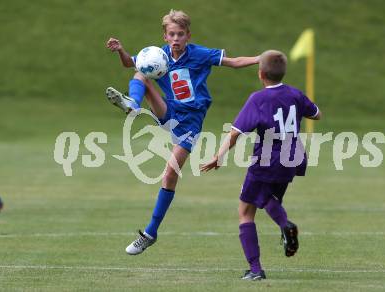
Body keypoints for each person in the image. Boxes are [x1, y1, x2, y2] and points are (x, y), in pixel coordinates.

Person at [105, 9, 259, 255]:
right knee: (141, 73)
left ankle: (150, 233)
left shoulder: (199, 54)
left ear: (188, 35)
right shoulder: (158, 55)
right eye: (171, 34)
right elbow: (129, 63)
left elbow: (234, 62)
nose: (176, 38)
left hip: (190, 122)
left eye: (180, 34)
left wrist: (260, 58)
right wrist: (121, 50)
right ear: (165, 37)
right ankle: (133, 105)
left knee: (169, 175)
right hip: (169, 111)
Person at [201, 50, 321, 280]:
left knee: (246, 210)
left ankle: (256, 268)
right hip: (292, 157)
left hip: (267, 159)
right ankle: (286, 227)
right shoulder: (295, 94)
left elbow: (235, 133)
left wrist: (219, 155)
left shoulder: (258, 99)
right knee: (268, 199)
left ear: (260, 73)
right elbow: (317, 114)